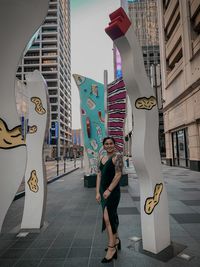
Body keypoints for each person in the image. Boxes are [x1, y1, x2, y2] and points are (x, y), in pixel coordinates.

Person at [96, 136, 123, 263]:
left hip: (112, 192)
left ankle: (111, 248)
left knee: (108, 219)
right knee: (111, 217)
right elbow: (99, 175)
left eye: (111, 143)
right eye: (106, 144)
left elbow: (118, 175)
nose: (109, 145)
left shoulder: (118, 156)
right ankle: (116, 240)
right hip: (103, 193)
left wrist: (109, 190)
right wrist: (97, 192)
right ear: (104, 145)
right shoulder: (101, 158)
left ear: (114, 144)